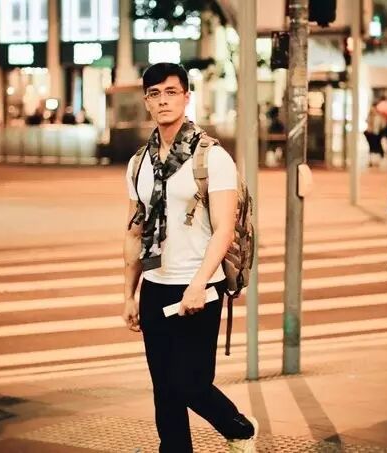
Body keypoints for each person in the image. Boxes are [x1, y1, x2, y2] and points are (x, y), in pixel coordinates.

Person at [121, 63, 258, 452]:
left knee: (190, 383)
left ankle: (240, 429)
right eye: (154, 94)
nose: (163, 100)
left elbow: (224, 229)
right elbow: (134, 230)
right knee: (164, 389)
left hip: (200, 286)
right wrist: (128, 293)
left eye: (171, 92)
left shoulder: (212, 157)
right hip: (156, 285)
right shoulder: (139, 163)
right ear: (146, 101)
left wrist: (198, 284)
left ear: (186, 96)